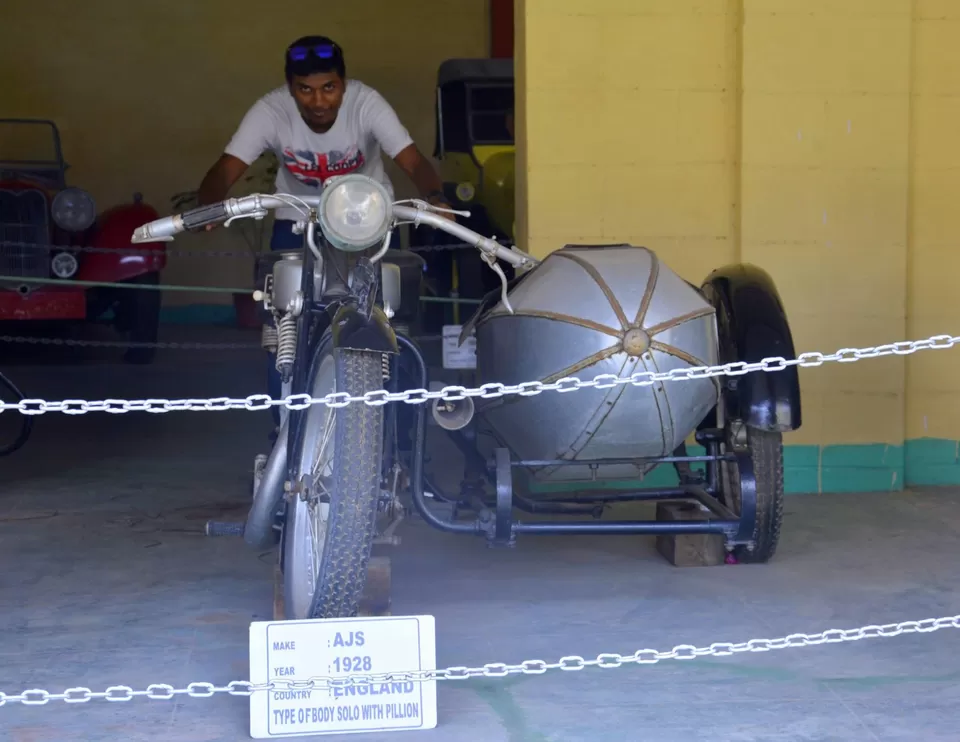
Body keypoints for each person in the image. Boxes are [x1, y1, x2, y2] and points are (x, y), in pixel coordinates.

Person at [196, 35, 453, 432]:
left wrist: (434, 196)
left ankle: (398, 443)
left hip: (367, 222)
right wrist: (210, 202)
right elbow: (225, 169)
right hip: (296, 223)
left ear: (344, 84)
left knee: (391, 327)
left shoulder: (367, 103)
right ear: (290, 88)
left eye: (329, 88)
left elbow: (414, 161)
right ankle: (284, 437)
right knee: (283, 330)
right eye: (306, 90)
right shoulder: (270, 110)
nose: (318, 102)